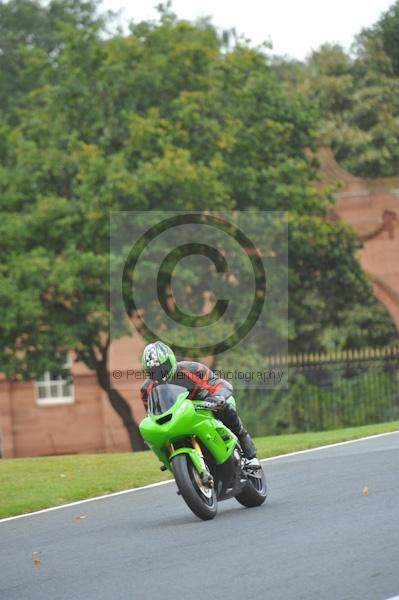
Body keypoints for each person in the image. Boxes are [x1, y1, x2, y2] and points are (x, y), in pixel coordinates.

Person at [140, 340, 259, 463]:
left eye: (162, 368)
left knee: (227, 407)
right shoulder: (146, 390)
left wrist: (217, 397)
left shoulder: (192, 369)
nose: (160, 374)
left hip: (205, 405)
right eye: (154, 372)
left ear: (171, 361)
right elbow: (151, 414)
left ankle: (245, 443)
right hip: (177, 419)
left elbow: (219, 383)